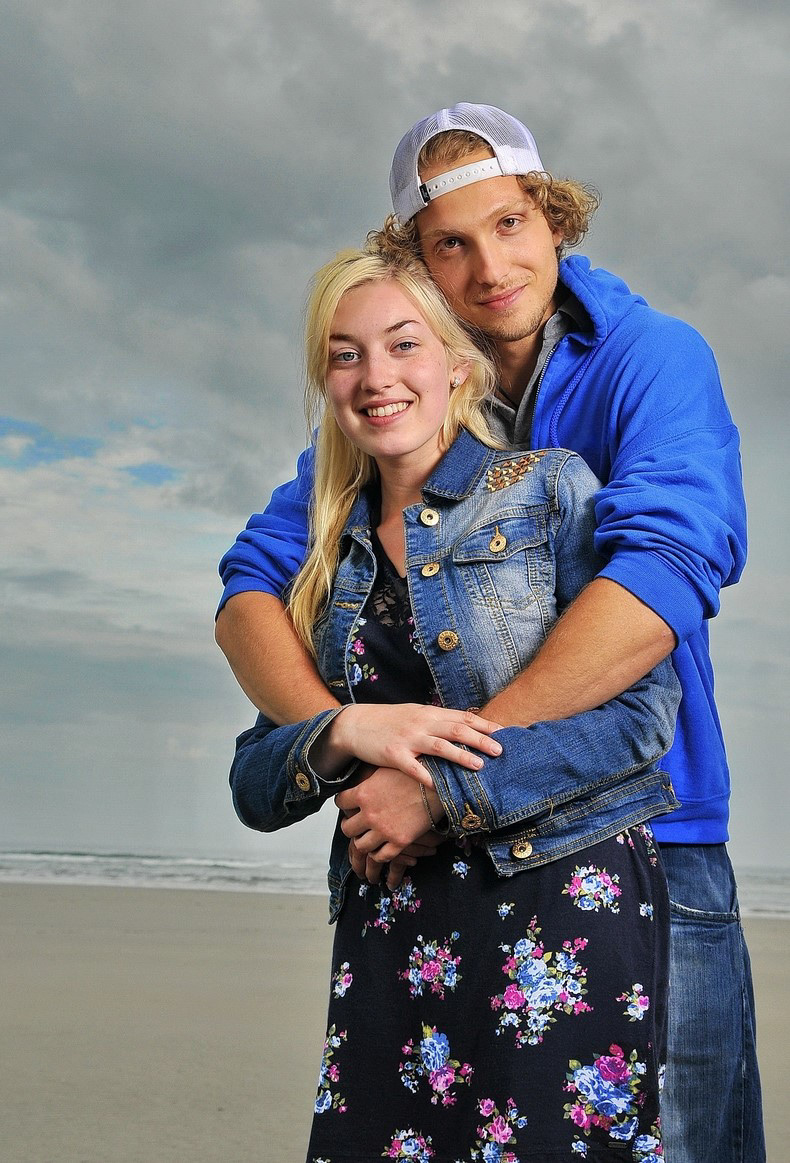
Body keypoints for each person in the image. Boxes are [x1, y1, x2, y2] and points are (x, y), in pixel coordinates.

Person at [216, 105, 763, 1162]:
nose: (490, 266)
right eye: (449, 243)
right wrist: (348, 737)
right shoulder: (402, 387)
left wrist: (441, 777)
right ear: (415, 261)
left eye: (510, 223)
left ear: (553, 217)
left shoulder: (647, 358)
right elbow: (253, 588)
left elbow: (663, 576)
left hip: (642, 837)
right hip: (420, 888)